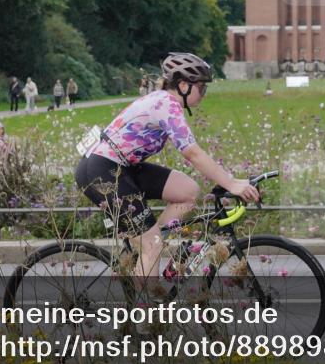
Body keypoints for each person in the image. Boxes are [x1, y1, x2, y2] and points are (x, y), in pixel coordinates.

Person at [75, 52, 260, 282]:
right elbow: (192, 152)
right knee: (152, 245)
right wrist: (231, 183)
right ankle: (145, 314)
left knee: (188, 191)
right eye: (201, 87)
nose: (204, 93)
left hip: (122, 167)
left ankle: (146, 245)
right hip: (101, 170)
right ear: (183, 85)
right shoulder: (167, 104)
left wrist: (232, 182)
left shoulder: (163, 100)